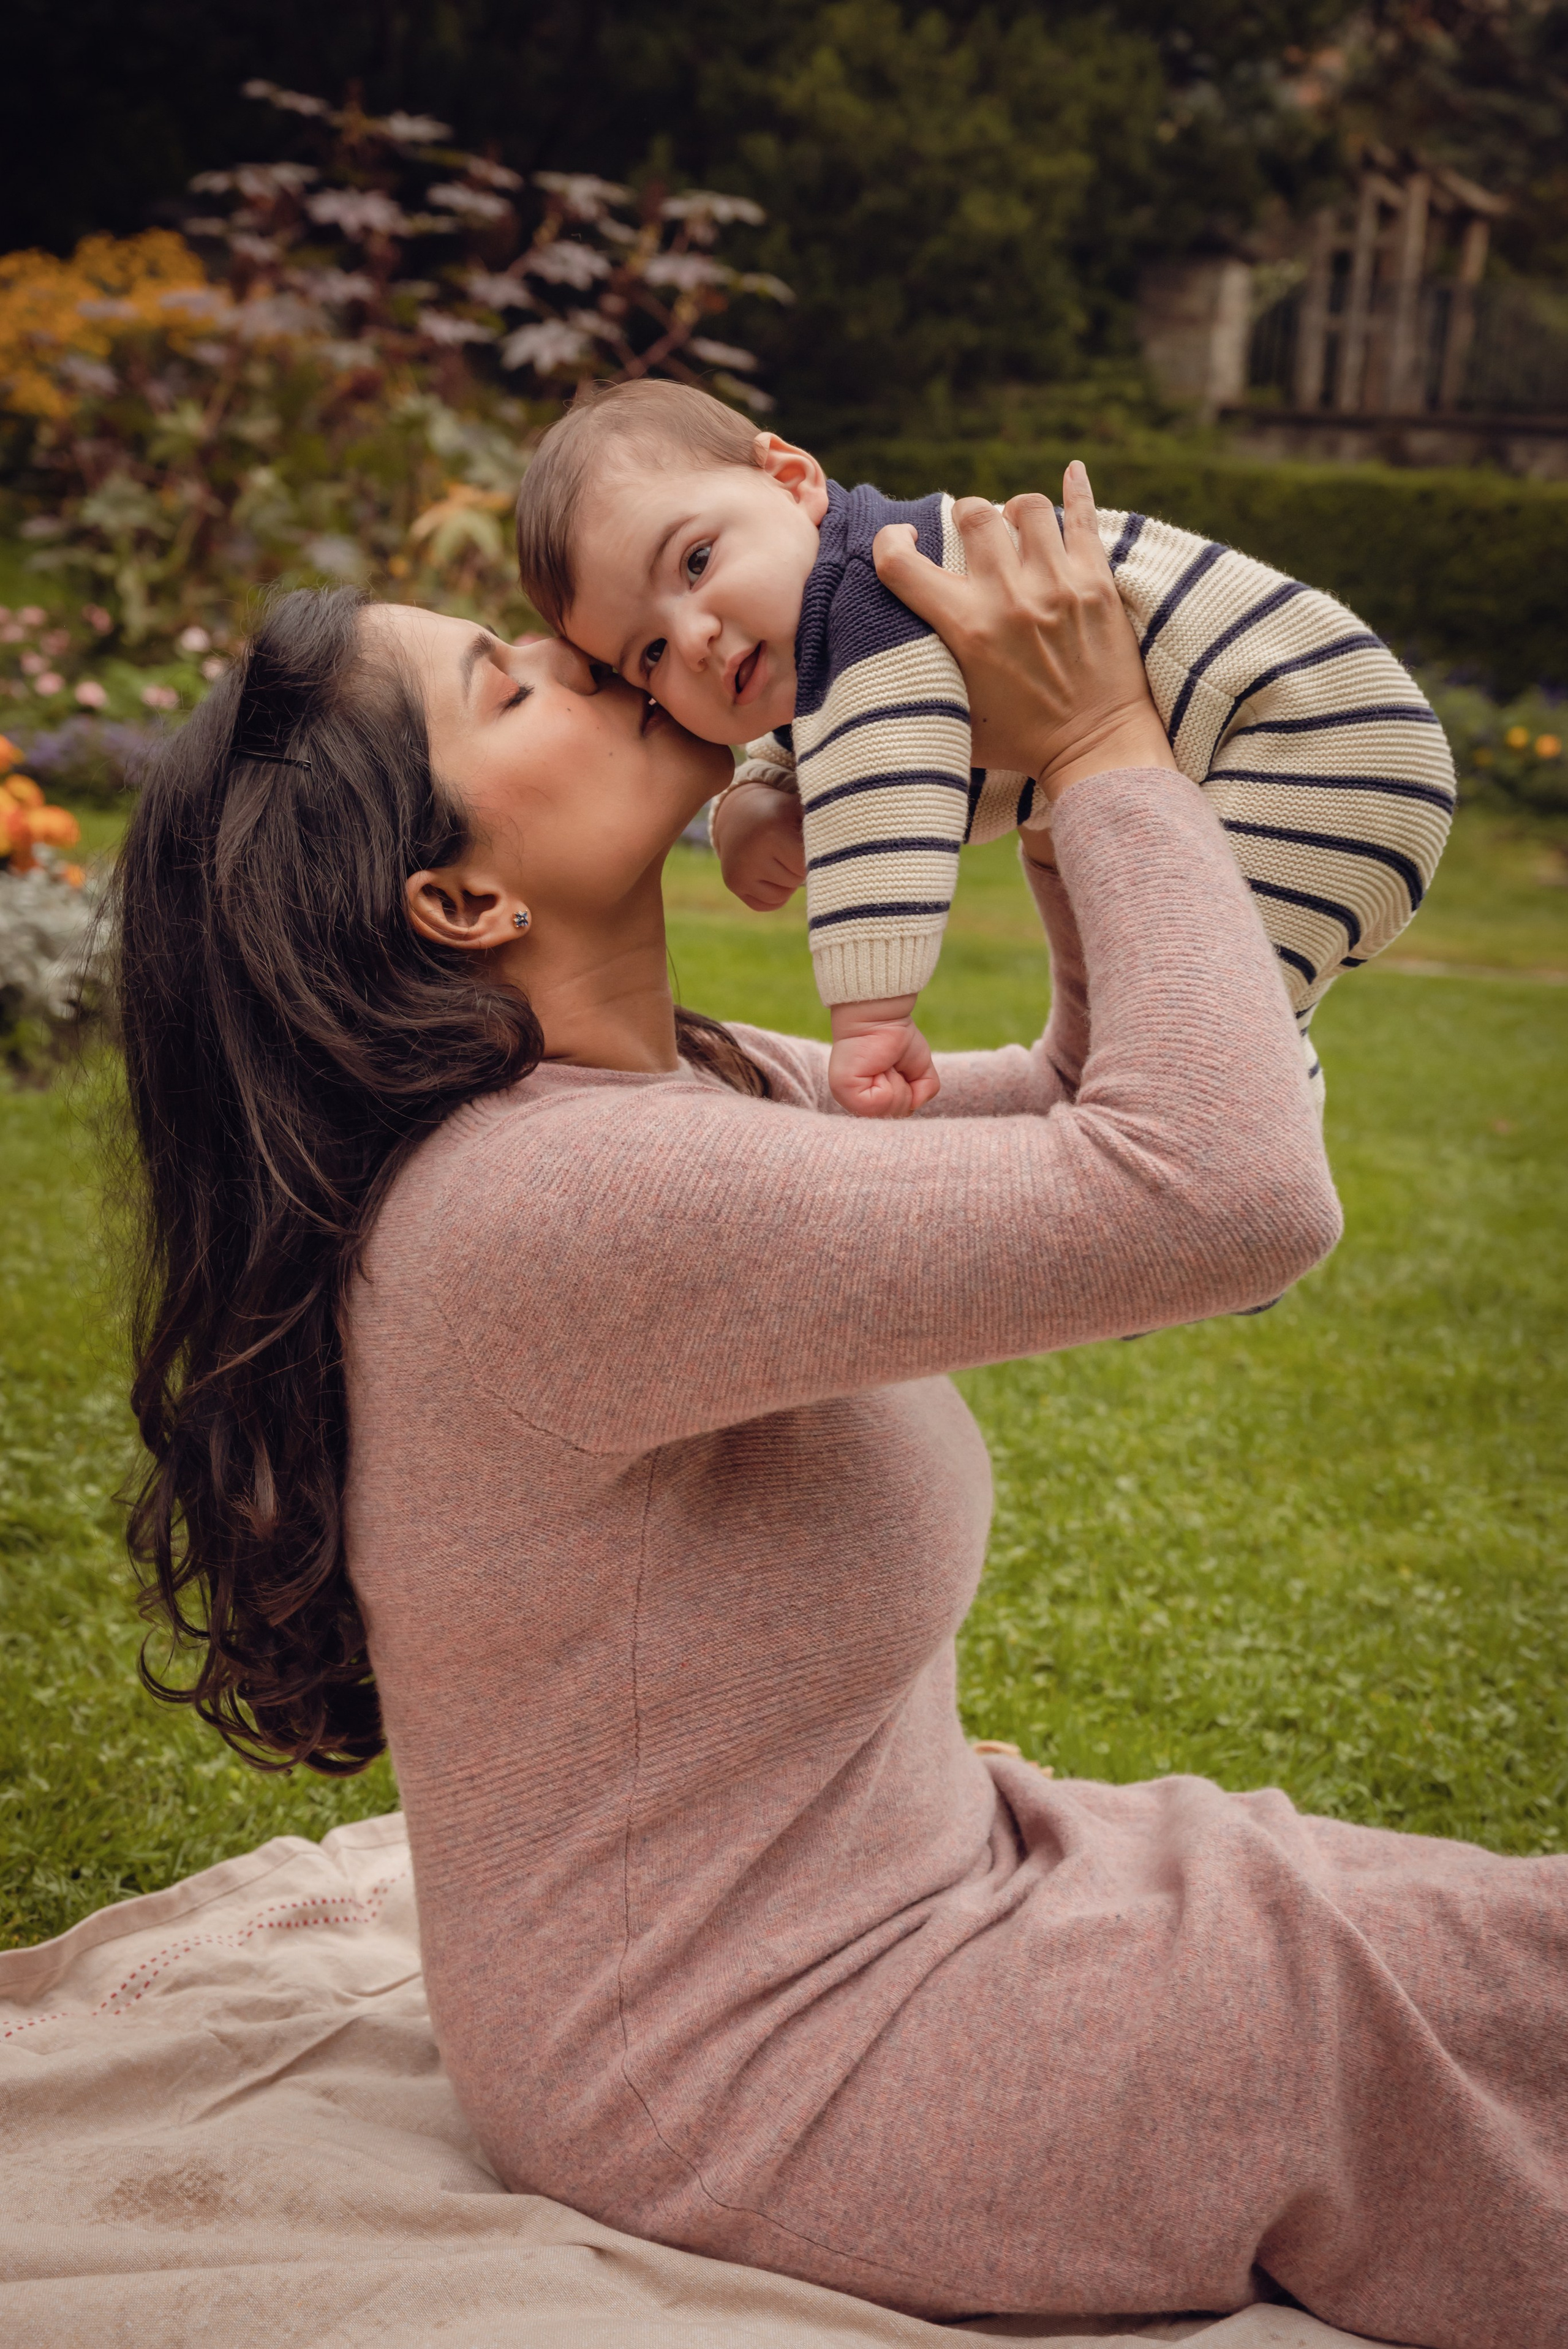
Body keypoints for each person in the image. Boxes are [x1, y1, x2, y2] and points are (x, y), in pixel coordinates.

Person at [113, 473, 1566, 2346]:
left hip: (925, 1892)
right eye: (511, 684)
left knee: (1495, 1945)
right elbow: (1225, 1190)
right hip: (771, 2063)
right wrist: (1114, 739)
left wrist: (1040, 785)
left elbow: (1080, 1106)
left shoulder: (682, 1095)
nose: (584, 653)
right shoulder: (549, 1207)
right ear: (462, 894)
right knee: (1448, 2028)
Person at [514, 380, 1455, 1118]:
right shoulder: (832, 628)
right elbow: (825, 736)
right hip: (1319, 744)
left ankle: (1229, 1171)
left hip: (1308, 744)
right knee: (1226, 1019)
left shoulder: (875, 594)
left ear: (792, 482)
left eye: (693, 563)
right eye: (646, 653)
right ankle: (1250, 1136)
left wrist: (872, 1018)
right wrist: (758, 792)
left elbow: (887, 793)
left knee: (1199, 1044)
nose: (693, 638)